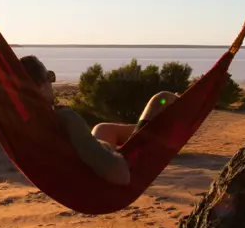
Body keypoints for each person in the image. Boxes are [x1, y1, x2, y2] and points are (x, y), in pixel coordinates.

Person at [19, 55, 178, 186]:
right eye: (49, 77)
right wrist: (106, 147)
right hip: (118, 168)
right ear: (40, 87)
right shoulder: (66, 118)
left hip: (86, 164)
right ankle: (163, 129)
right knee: (162, 98)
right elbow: (121, 175)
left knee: (103, 128)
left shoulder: (33, 121)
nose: (52, 82)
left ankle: (146, 130)